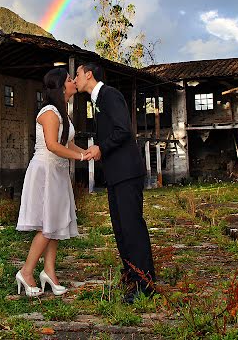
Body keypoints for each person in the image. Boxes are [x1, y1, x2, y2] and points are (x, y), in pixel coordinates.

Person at [75, 62, 156, 303]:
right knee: (120, 229)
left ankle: (145, 283)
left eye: (77, 75)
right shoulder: (97, 100)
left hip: (127, 173)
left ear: (89, 74)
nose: (75, 79)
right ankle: (132, 275)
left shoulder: (110, 95)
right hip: (115, 175)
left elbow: (124, 130)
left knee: (132, 228)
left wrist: (101, 147)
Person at [16, 67, 91, 297]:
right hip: (45, 170)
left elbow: (67, 145)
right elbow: (52, 145)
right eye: (70, 79)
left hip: (57, 172)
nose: (73, 82)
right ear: (61, 86)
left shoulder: (63, 113)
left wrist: (86, 153)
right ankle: (26, 272)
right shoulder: (49, 112)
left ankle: (48, 272)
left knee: (56, 223)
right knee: (46, 226)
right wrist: (79, 157)